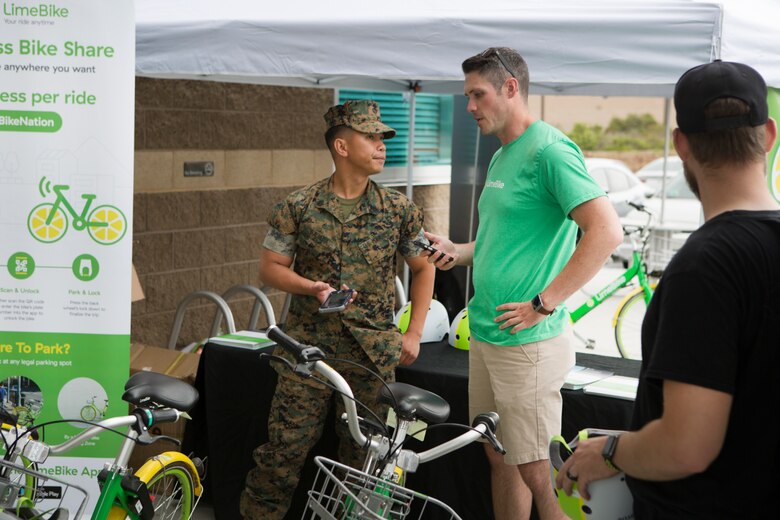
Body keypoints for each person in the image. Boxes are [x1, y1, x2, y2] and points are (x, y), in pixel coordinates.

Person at [555, 60, 779, 519]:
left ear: (680, 144)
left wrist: (611, 450)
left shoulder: (707, 267)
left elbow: (686, 446)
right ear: (770, 135)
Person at [424, 47, 623, 520]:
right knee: (499, 455)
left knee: (538, 469)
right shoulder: (503, 155)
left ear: (511, 88)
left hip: (528, 341)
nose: (469, 106)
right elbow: (498, 241)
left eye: (478, 94)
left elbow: (606, 231)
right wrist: (457, 250)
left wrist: (544, 302)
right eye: (467, 95)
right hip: (489, 335)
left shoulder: (550, 150)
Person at [240, 99, 435, 519]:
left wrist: (414, 331)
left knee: (366, 463)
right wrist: (310, 287)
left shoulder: (399, 209)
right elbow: (271, 269)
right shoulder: (299, 206)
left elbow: (424, 268)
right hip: (307, 355)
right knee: (281, 456)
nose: (382, 146)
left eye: (383, 138)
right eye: (371, 137)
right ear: (342, 147)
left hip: (370, 355)